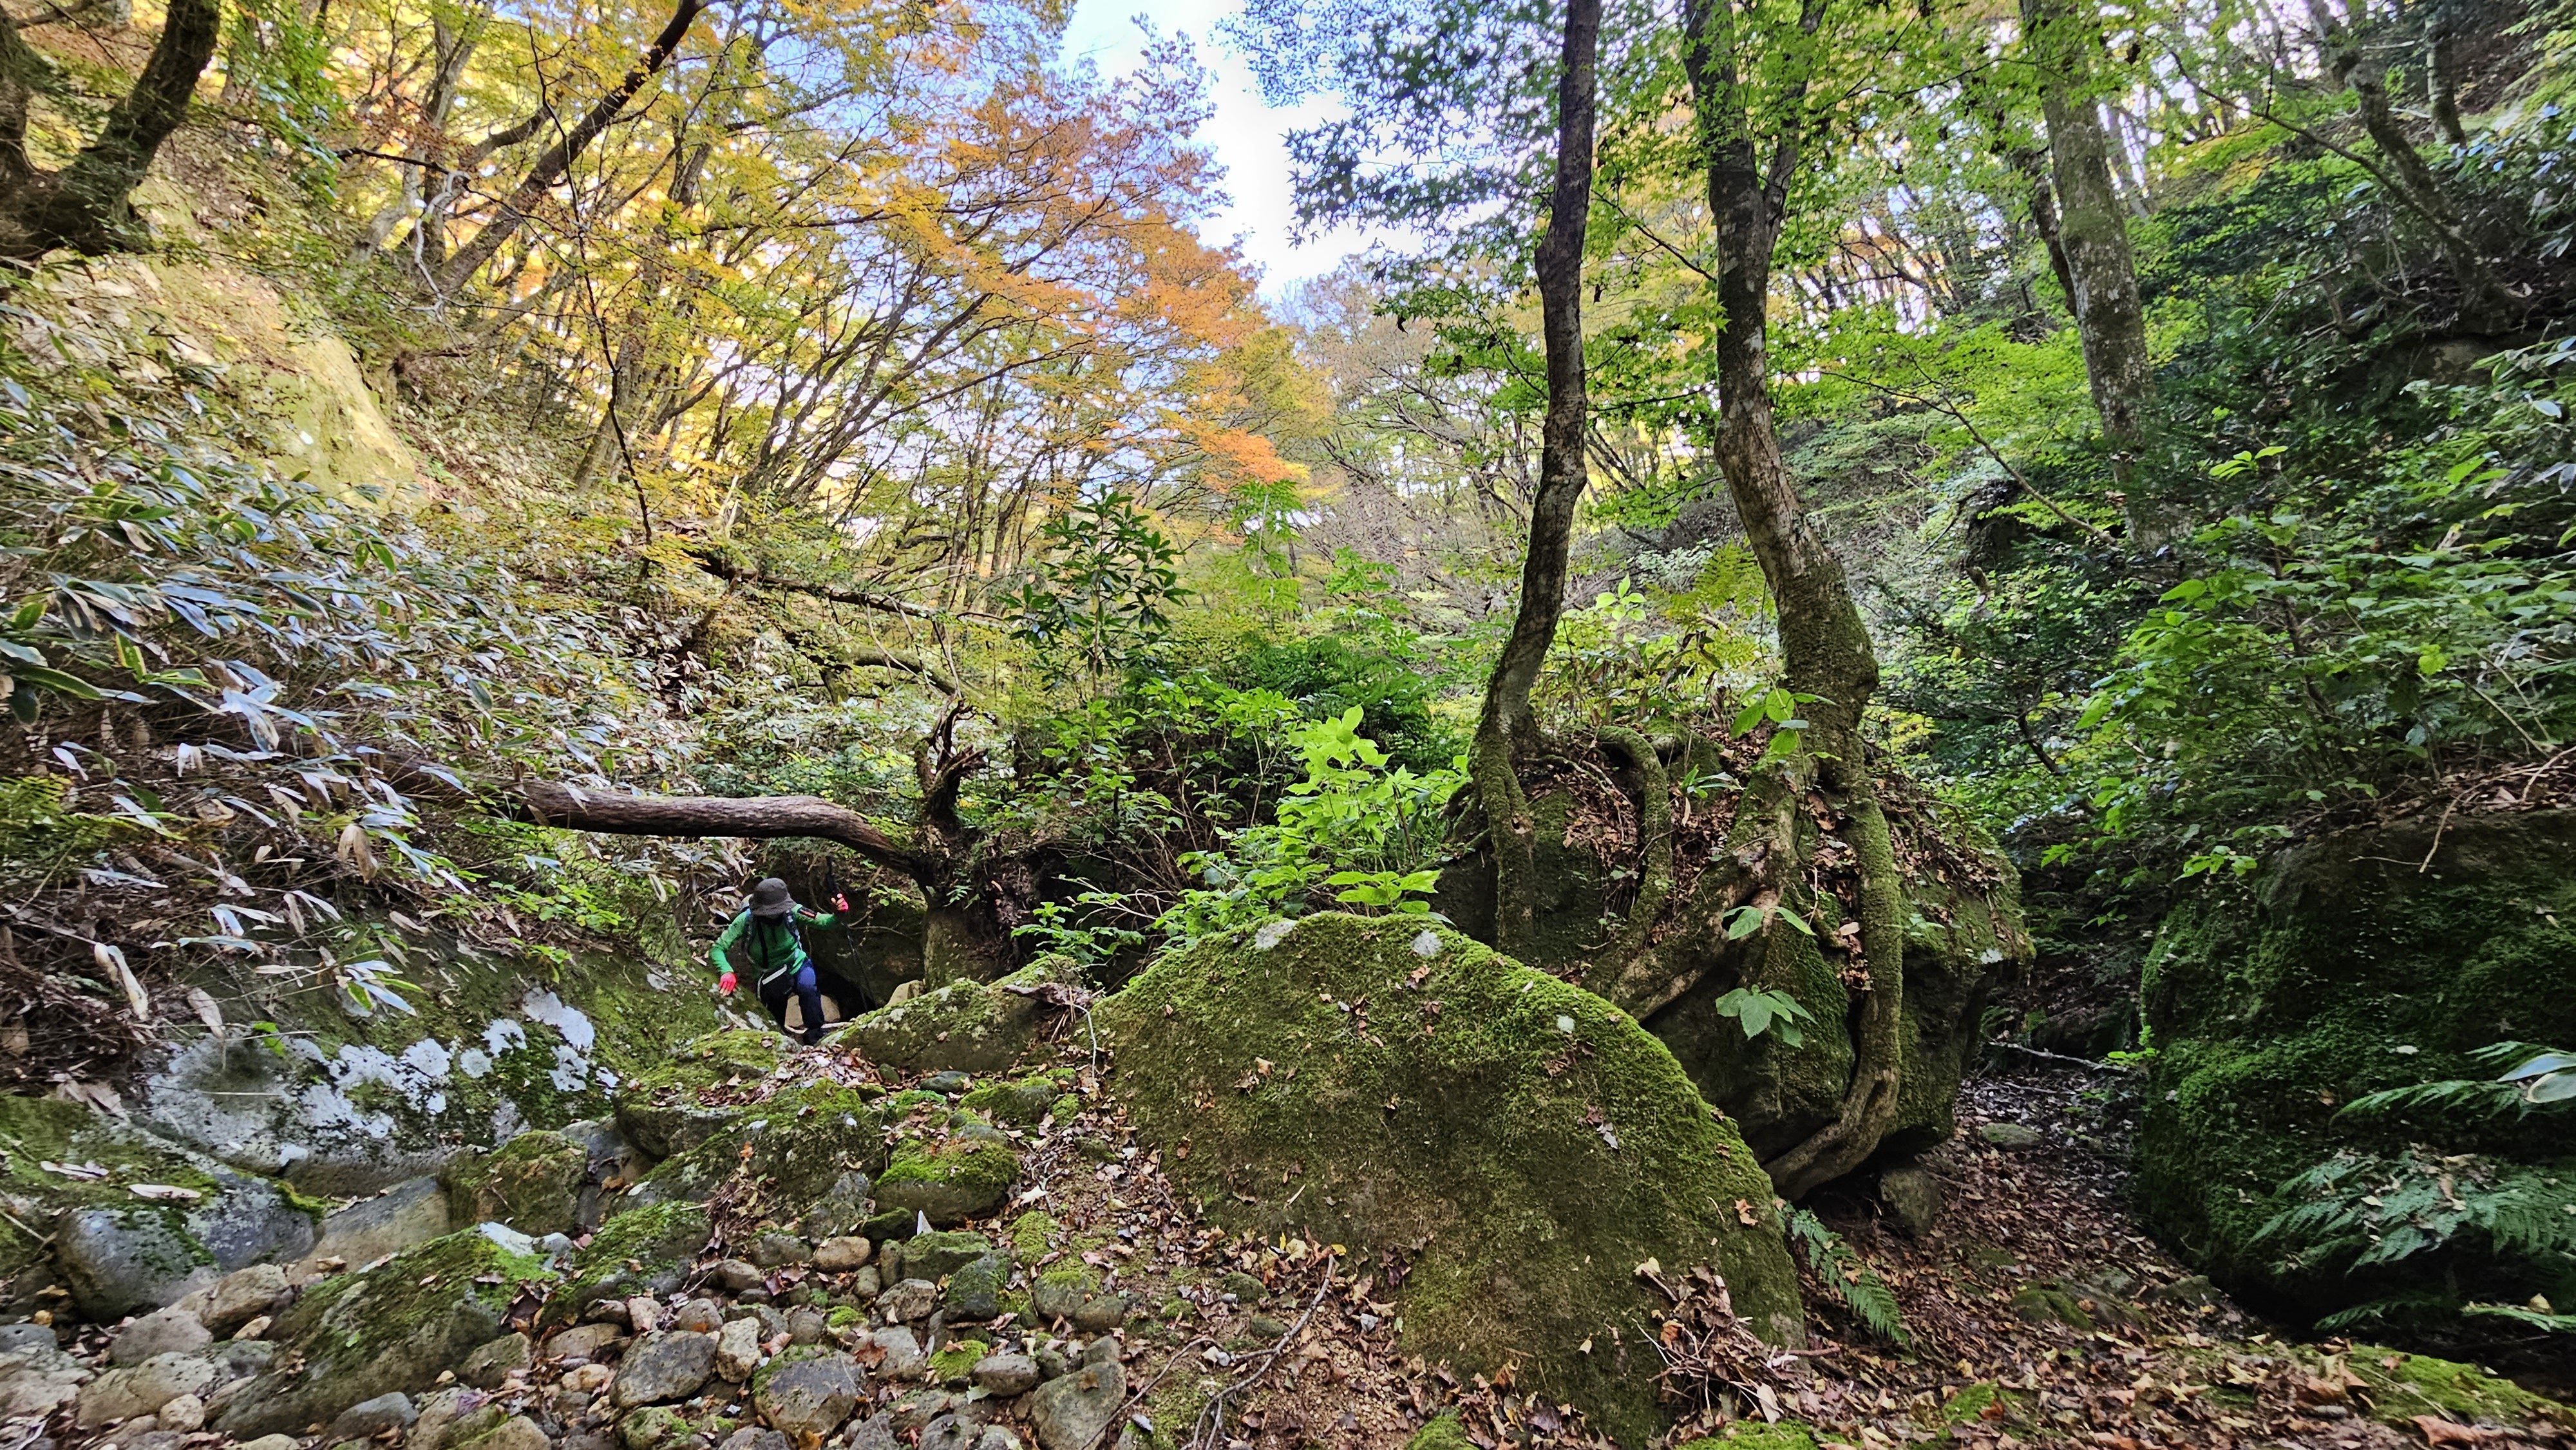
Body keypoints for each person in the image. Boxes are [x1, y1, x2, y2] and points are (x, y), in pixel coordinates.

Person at [712, 877, 848, 1044]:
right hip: (768, 973)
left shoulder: (792, 912)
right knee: (776, 1003)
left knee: (807, 988)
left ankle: (815, 1034)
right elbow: (718, 948)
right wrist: (726, 971)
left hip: (796, 963)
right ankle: (779, 1036)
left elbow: (824, 922)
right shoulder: (745, 921)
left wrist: (838, 914)